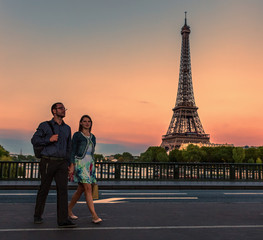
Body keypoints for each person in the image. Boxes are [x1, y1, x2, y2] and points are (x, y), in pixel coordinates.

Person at [31, 102, 76, 228]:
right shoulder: (45, 125)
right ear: (54, 111)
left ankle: (63, 220)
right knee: (44, 189)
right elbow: (34, 140)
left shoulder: (67, 128)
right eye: (61, 108)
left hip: (62, 162)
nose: (64, 110)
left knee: (63, 191)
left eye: (64, 108)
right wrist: (48, 139)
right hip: (48, 161)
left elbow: (69, 147)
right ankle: (37, 215)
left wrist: (70, 163)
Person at [68, 115, 102, 224]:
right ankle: (94, 216)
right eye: (84, 121)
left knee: (81, 189)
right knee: (88, 188)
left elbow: (91, 151)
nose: (87, 123)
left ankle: (68, 210)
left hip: (89, 164)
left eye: (89, 121)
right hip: (80, 163)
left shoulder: (93, 137)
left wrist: (92, 164)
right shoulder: (77, 135)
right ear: (81, 123)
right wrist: (72, 165)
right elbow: (72, 150)